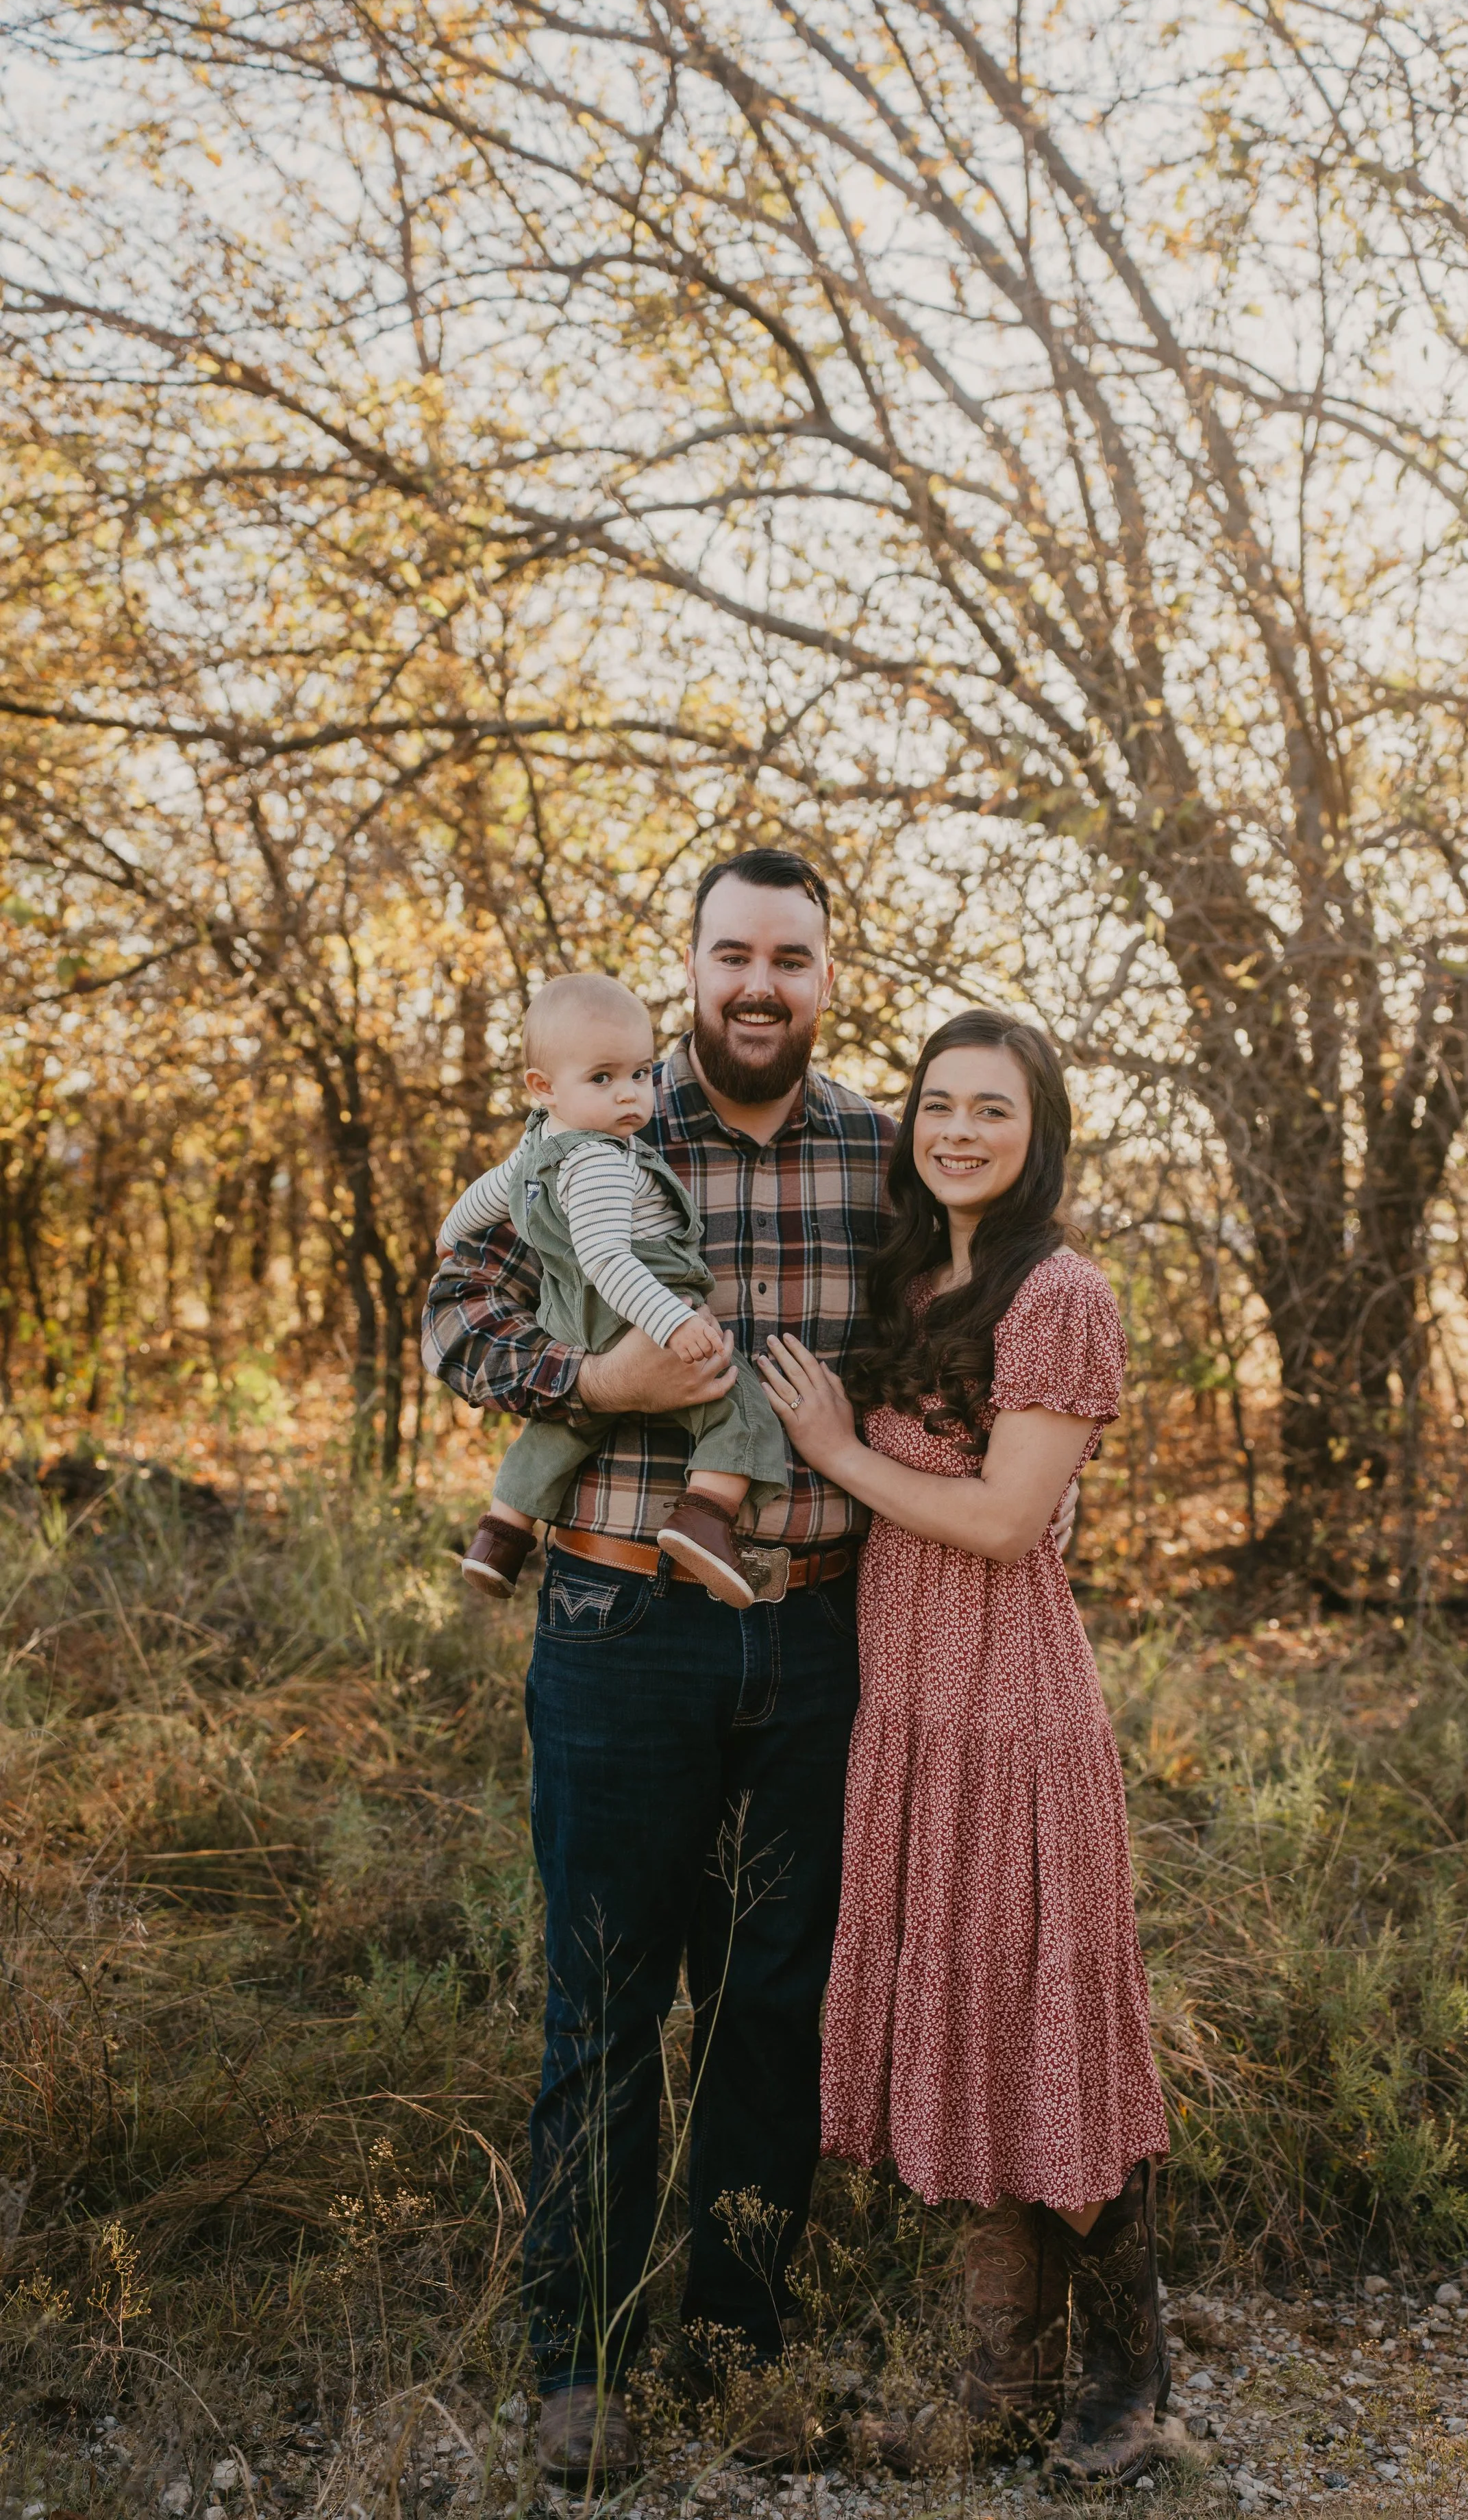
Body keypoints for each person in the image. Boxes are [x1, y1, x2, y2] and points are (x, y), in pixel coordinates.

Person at [421, 848, 892, 2489]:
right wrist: (597, 1377)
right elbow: (452, 1310)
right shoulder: (604, 1115)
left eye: (794, 957)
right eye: (733, 953)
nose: (760, 982)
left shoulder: (880, 1153)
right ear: (689, 963)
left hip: (819, 1632)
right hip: (623, 1628)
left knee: (774, 2001)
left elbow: (947, 1351)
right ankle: (583, 2358)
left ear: (831, 973)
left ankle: (739, 2336)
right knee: (607, 1996)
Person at [758, 1008, 1177, 2484]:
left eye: (990, 1110)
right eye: (937, 1104)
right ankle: (1002, 2380)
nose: (957, 1130)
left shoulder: (1058, 1290)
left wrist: (837, 1456)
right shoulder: (915, 1269)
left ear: (1037, 1128)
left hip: (1008, 1711)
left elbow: (1006, 1521)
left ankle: (1128, 2385)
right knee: (968, 2041)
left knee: (1043, 2040)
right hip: (911, 1706)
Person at [438, 972, 789, 1607]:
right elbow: (607, 1257)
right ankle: (705, 1518)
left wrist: (448, 1233)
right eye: (602, 1079)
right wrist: (672, 1325)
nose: (629, 1097)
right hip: (631, 1304)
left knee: (562, 1431)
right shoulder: (600, 1158)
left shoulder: (536, 1148)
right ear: (543, 1087)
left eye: (639, 1074)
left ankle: (501, 1536)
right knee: (735, 1402)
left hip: (566, 1318)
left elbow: (487, 1195)